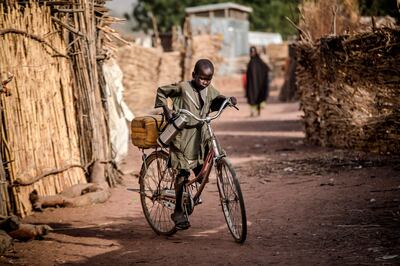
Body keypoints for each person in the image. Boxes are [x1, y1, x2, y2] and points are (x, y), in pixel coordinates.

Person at [154, 59, 236, 230]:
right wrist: (166, 109)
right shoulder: (183, 87)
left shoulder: (208, 89)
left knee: (206, 161)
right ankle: (177, 211)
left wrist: (227, 100)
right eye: (201, 78)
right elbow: (162, 91)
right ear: (193, 75)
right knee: (183, 173)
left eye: (208, 79)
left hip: (201, 133)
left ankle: (192, 192)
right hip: (183, 135)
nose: (205, 82)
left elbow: (215, 99)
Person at [245, 46, 270, 117]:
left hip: (258, 85)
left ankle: (258, 111)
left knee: (259, 98)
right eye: (251, 52)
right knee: (251, 98)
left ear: (255, 52)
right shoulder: (250, 62)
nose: (252, 53)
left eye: (253, 51)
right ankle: (252, 112)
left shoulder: (259, 61)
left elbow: (266, 69)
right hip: (251, 85)